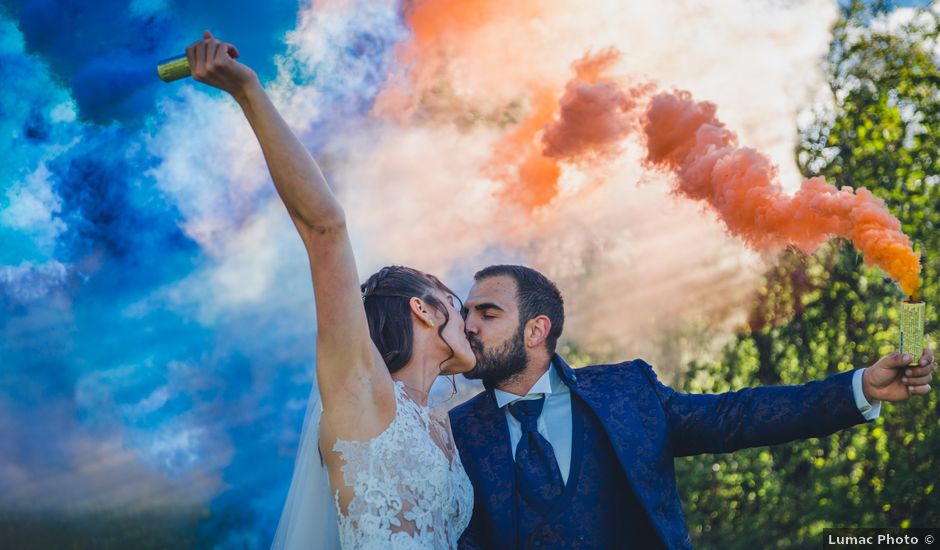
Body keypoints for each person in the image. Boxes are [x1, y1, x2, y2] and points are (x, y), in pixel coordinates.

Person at [184, 32, 475, 549]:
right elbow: (325, 229)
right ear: (424, 311)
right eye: (455, 302)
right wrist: (248, 91)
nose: (468, 316)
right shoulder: (362, 389)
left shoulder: (442, 427)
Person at [450, 264, 936, 549]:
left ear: (536, 331)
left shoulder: (625, 391)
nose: (469, 324)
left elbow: (736, 417)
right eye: (466, 312)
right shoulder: (453, 432)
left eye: (487, 313)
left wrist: (862, 387)